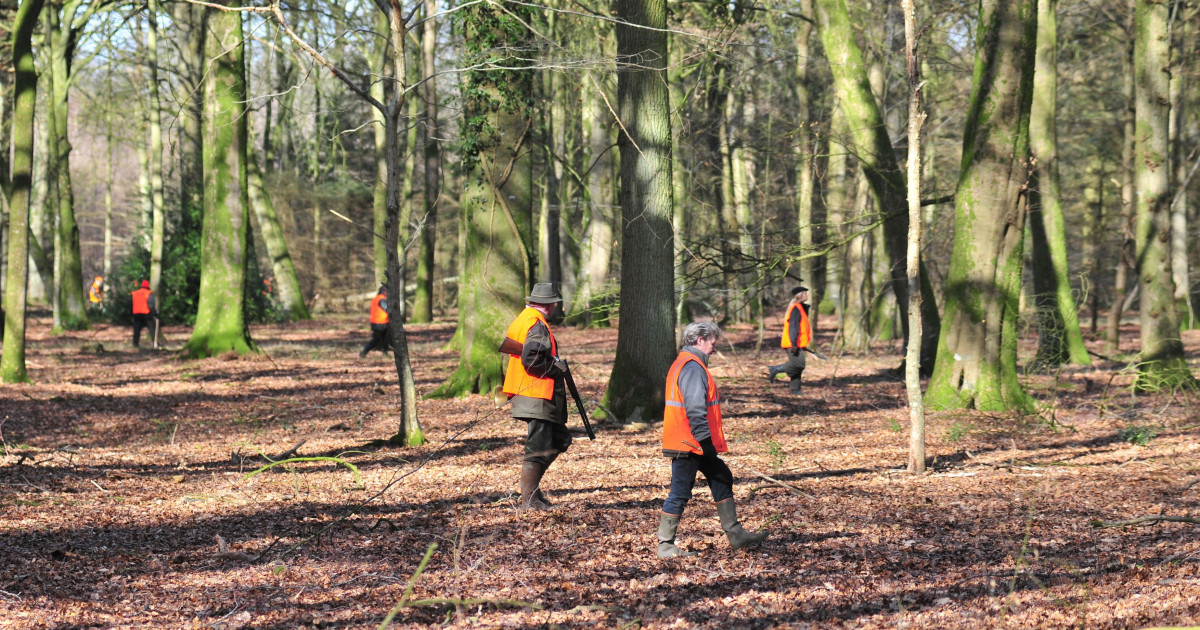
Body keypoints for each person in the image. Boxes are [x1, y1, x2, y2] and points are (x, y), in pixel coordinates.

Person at [657, 321, 768, 558]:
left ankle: (736, 535)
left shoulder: (686, 363)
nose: (714, 348)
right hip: (689, 444)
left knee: (721, 476)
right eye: (712, 343)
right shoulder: (692, 367)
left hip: (693, 442)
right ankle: (665, 545)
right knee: (680, 492)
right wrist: (705, 441)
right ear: (700, 341)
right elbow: (695, 408)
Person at [501, 282, 571, 511]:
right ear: (550, 305)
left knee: (560, 439)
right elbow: (531, 360)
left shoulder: (524, 319)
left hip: (530, 391)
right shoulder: (537, 325)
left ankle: (532, 491)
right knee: (538, 446)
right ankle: (528, 499)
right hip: (536, 392)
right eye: (555, 304)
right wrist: (556, 369)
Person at [767, 286, 812, 394]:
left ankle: (795, 389)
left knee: (797, 365)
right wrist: (794, 344)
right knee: (799, 364)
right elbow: (793, 327)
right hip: (792, 343)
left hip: (796, 342)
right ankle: (775, 369)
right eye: (804, 293)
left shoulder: (800, 307)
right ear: (799, 296)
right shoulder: (796, 308)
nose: (807, 295)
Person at [360, 285, 390, 357]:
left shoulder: (375, 299)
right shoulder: (382, 299)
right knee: (377, 340)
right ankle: (364, 351)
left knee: (384, 339)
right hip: (381, 323)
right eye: (387, 291)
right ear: (383, 291)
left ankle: (385, 352)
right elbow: (386, 309)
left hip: (376, 322)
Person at [131, 280, 156, 348]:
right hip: (146, 314)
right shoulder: (149, 293)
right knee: (152, 328)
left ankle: (135, 343)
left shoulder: (135, 293)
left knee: (136, 330)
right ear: (148, 286)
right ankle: (155, 342)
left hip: (136, 314)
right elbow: (151, 305)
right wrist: (155, 314)